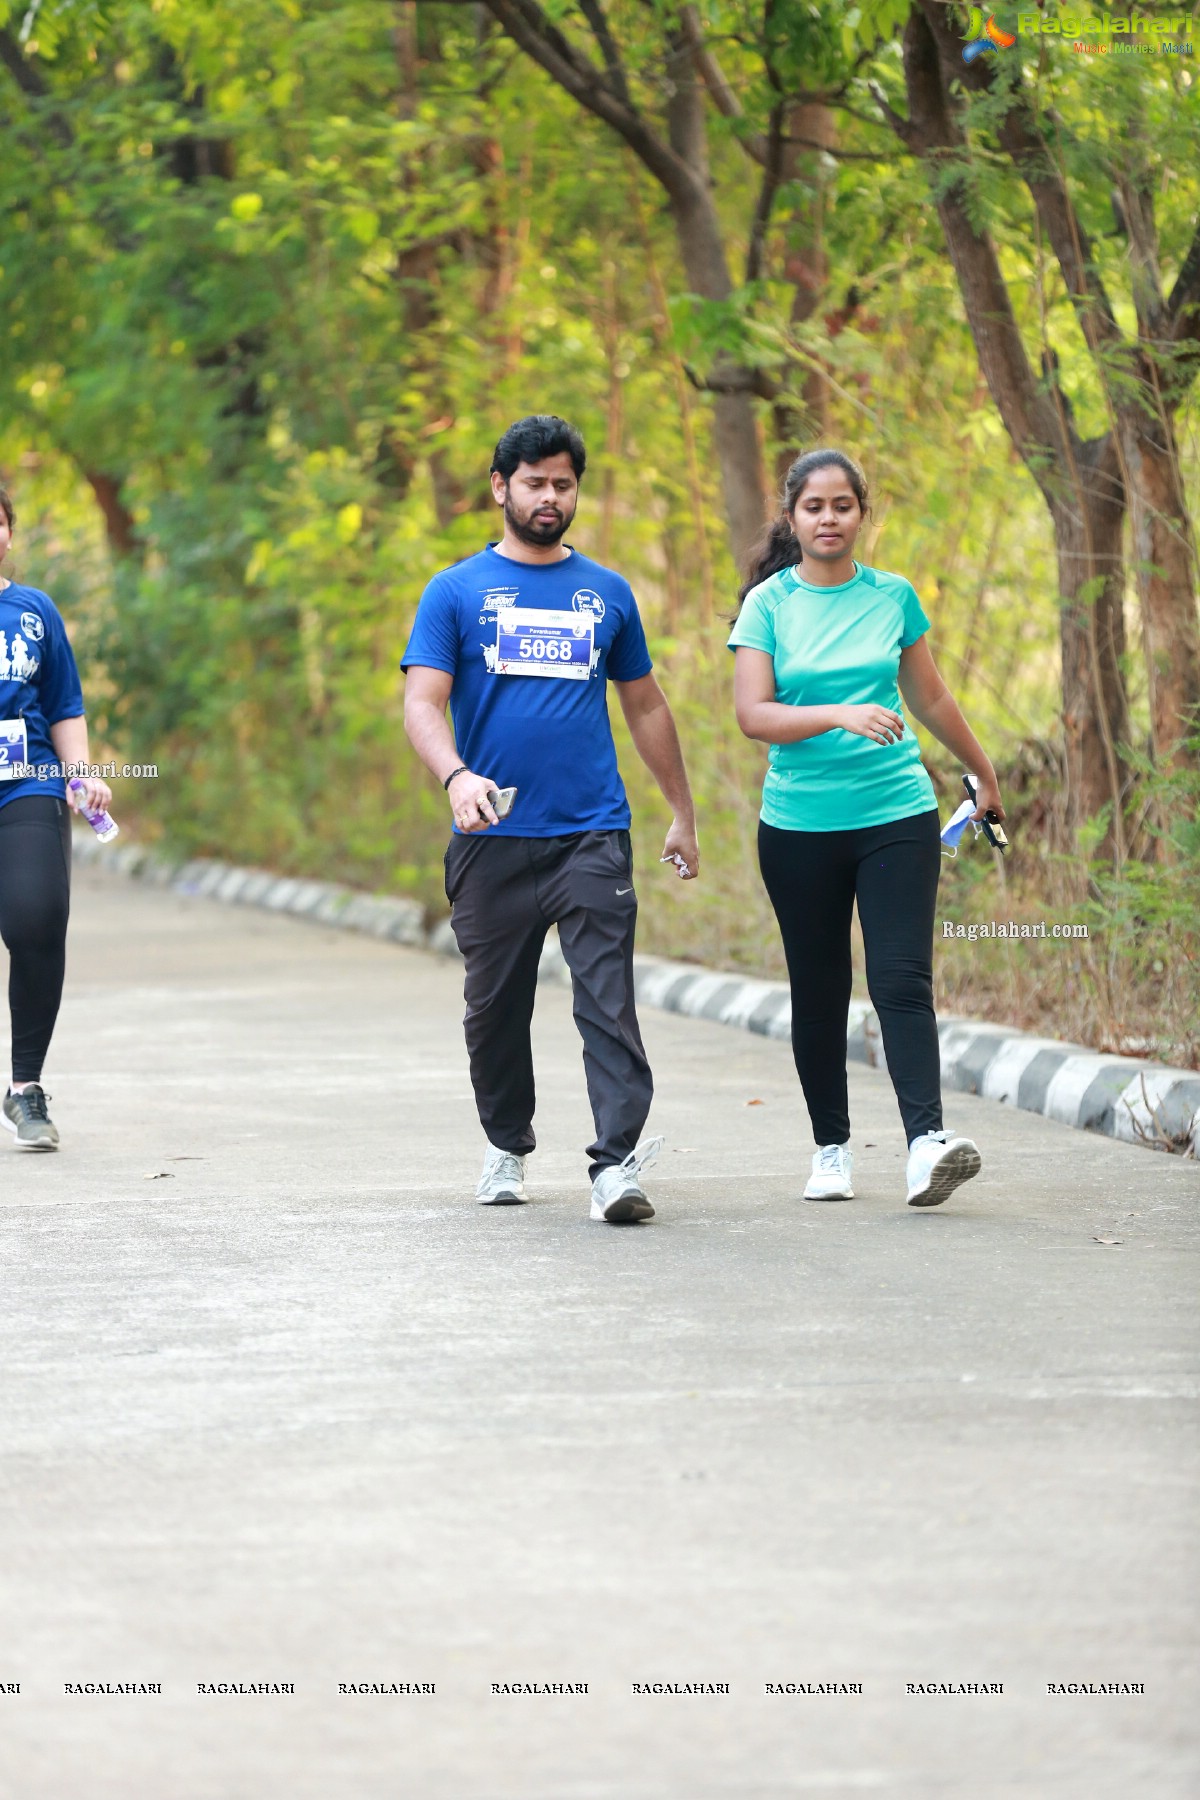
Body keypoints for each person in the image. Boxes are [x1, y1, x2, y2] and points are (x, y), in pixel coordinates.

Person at [402, 415, 699, 1223]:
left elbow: (644, 705)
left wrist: (681, 811)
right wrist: (455, 775)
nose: (549, 497)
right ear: (501, 487)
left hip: (591, 832)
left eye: (562, 484)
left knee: (608, 1000)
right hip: (491, 834)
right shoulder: (456, 592)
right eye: (533, 482)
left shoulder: (607, 593)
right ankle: (506, 1145)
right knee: (494, 1008)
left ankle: (616, 1165)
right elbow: (423, 703)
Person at [729, 448, 1005, 1207]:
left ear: (862, 514)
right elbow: (754, 715)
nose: (828, 518)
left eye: (842, 505)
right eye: (813, 507)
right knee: (819, 989)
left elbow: (933, 698)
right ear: (792, 517)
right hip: (799, 827)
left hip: (897, 813)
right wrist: (839, 714)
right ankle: (831, 1148)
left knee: (902, 981)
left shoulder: (893, 597)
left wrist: (981, 770)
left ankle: (926, 1145)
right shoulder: (770, 606)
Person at [0, 483, 112, 1150]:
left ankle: (24, 1088)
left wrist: (80, 773)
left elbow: (64, 703)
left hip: (27, 783)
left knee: (38, 917)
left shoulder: (35, 612)